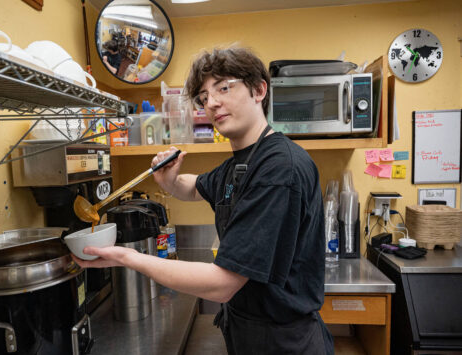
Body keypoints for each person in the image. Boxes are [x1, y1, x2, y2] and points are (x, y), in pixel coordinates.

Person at [73, 46, 334, 355]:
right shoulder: (240, 163)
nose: (212, 102)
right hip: (247, 331)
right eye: (203, 97)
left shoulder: (278, 168)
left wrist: (126, 257)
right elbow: (195, 187)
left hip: (282, 342)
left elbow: (222, 284)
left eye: (223, 87)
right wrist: (169, 180)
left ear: (259, 90)